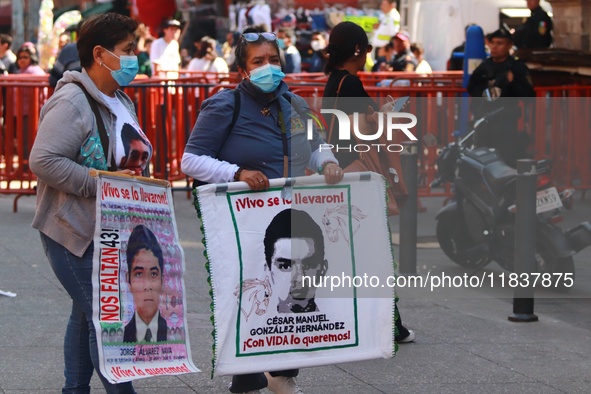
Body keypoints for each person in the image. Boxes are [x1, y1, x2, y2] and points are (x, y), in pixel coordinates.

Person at [181, 26, 343, 394]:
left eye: (273, 60)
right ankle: (247, 376)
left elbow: (317, 146)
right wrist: (236, 173)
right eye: (258, 61)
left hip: (291, 217)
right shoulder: (225, 105)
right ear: (242, 70)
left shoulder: (294, 103)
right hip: (242, 221)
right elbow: (190, 160)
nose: (268, 67)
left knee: (294, 295)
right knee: (252, 294)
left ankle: (282, 374)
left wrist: (327, 162)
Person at [29, 12, 152, 393]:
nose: (136, 59)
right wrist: (100, 184)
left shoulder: (118, 99)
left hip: (112, 234)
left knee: (86, 316)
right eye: (128, 50)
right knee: (107, 321)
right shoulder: (71, 101)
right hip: (72, 233)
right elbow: (43, 161)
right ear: (99, 54)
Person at [322, 21, 415, 344]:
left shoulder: (334, 81)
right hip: (356, 171)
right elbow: (365, 129)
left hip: (338, 168)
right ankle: (389, 324)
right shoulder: (351, 84)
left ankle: (373, 320)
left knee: (354, 247)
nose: (368, 57)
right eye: (366, 50)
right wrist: (387, 114)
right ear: (358, 50)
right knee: (374, 247)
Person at [467, 28, 535, 167]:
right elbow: (472, 88)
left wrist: (510, 84)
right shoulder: (484, 67)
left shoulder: (516, 67)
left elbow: (529, 95)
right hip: (484, 122)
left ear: (509, 45)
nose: (494, 47)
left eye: (500, 43)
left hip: (506, 124)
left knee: (507, 163)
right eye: (492, 43)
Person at [264, 209, 328, 314]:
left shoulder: (346, 323)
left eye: (309, 265)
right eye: (285, 266)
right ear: (268, 271)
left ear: (323, 270)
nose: (299, 278)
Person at [123, 225, 168, 343]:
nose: (147, 286)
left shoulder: (172, 331)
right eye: (138, 274)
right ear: (128, 280)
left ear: (162, 280)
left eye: (153, 274)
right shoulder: (120, 334)